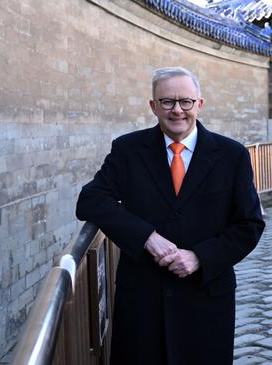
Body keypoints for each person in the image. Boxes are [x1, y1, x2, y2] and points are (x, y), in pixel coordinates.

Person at [76, 67, 265, 365]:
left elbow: (249, 224)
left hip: (205, 298)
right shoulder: (128, 149)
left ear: (199, 104)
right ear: (153, 106)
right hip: (142, 298)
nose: (177, 110)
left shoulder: (232, 155)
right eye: (167, 102)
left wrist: (199, 257)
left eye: (185, 102)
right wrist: (146, 237)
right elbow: (91, 199)